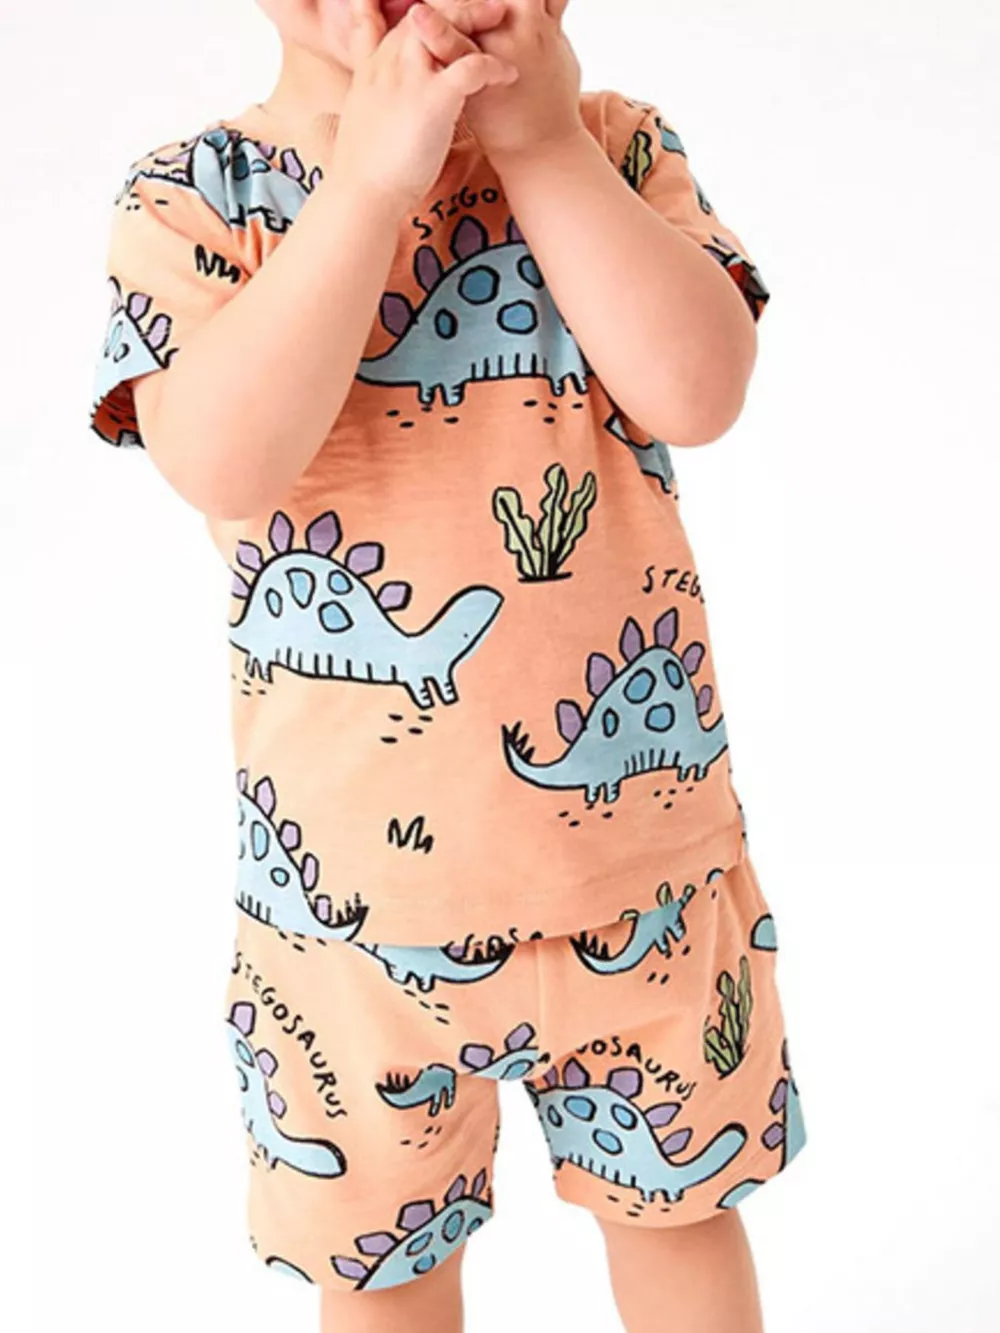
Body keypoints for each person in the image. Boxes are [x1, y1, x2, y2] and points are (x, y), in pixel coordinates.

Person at [89, 1, 805, 1328]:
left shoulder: (618, 147)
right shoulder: (194, 199)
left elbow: (700, 393)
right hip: (348, 925)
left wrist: (541, 146)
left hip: (644, 883)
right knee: (384, 1278)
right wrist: (367, 186)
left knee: (683, 1218)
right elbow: (224, 463)